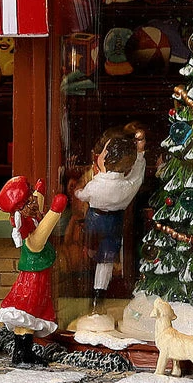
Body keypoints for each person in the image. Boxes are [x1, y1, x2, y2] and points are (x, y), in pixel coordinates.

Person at [0, 176, 69, 366]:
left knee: (28, 313)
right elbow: (42, 232)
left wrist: (39, 192)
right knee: (28, 311)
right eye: (30, 198)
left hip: (37, 275)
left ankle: (22, 353)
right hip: (33, 279)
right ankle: (22, 354)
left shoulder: (30, 213)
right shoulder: (30, 234)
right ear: (23, 207)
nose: (34, 200)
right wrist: (55, 211)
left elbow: (36, 205)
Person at [75, 125, 146, 311]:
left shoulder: (96, 184)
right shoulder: (128, 185)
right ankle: (99, 293)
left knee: (92, 249)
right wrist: (140, 154)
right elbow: (138, 175)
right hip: (115, 222)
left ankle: (92, 263)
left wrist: (77, 192)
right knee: (105, 260)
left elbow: (82, 195)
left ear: (105, 158)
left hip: (95, 220)